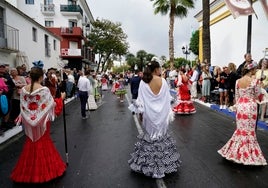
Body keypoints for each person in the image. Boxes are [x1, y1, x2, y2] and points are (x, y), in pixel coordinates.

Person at [10, 60, 67, 183]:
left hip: (28, 123)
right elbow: (52, 107)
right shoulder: (44, 90)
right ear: (41, 77)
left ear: (30, 76)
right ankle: (46, 172)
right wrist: (61, 99)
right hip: (42, 122)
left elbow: (23, 106)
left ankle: (28, 173)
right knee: (43, 143)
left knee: (31, 143)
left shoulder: (24, 90)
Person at [128, 60, 181, 178]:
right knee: (161, 138)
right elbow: (167, 99)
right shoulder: (162, 81)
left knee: (150, 139)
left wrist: (141, 115)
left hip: (149, 115)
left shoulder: (143, 82)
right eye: (160, 68)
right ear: (156, 69)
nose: (161, 70)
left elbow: (140, 101)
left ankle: (149, 166)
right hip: (161, 116)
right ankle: (164, 166)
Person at [218, 61, 267, 166]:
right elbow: (258, 96)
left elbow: (237, 97)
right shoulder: (254, 81)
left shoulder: (238, 81)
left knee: (240, 131)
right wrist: (261, 87)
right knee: (249, 131)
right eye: (255, 70)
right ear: (252, 70)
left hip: (241, 107)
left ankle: (236, 153)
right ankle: (248, 154)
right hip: (250, 108)